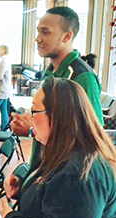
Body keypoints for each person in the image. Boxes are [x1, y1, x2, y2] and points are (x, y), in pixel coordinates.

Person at [0, 77, 116, 218]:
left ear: (58, 116)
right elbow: (57, 203)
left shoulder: (80, 172)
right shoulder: (63, 151)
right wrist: (22, 192)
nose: (29, 119)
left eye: (34, 111)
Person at [12, 6, 103, 171]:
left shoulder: (82, 77)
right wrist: (34, 119)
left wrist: (32, 130)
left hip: (65, 177)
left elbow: (92, 138)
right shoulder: (50, 72)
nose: (38, 39)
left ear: (67, 36)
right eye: (38, 32)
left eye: (45, 32)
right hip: (43, 171)